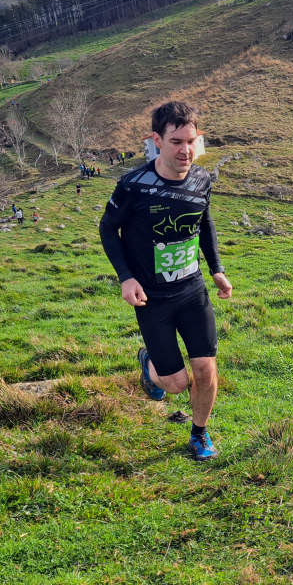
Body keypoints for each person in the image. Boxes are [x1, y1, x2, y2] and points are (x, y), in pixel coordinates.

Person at [99, 100, 233, 460]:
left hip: (192, 290)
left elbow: (204, 222)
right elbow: (109, 230)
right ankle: (149, 364)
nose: (185, 150)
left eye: (191, 141)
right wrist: (126, 279)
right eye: (176, 142)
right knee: (175, 384)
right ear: (156, 140)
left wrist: (216, 268)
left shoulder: (203, 180)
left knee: (205, 371)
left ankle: (199, 434)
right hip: (152, 299)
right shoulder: (134, 185)